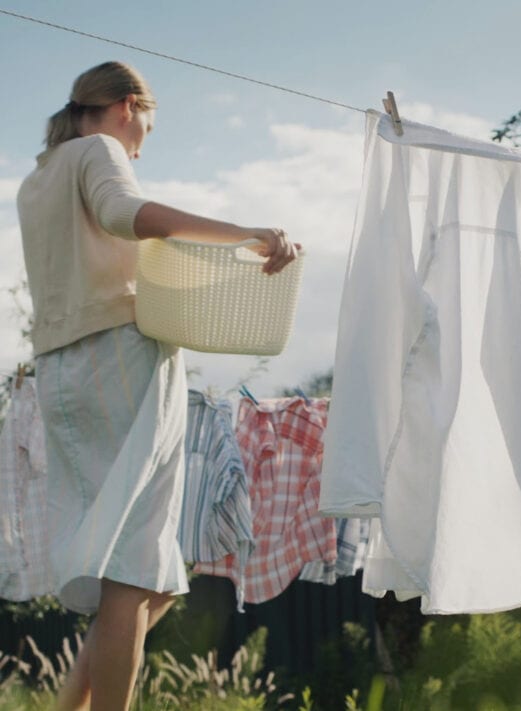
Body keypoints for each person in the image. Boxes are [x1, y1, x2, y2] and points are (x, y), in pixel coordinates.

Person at [15, 60, 299, 711]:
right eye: (146, 120)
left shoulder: (38, 177)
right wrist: (246, 235)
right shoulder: (100, 149)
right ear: (125, 105)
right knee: (135, 573)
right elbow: (123, 212)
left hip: (60, 375)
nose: (143, 137)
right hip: (121, 366)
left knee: (155, 577)